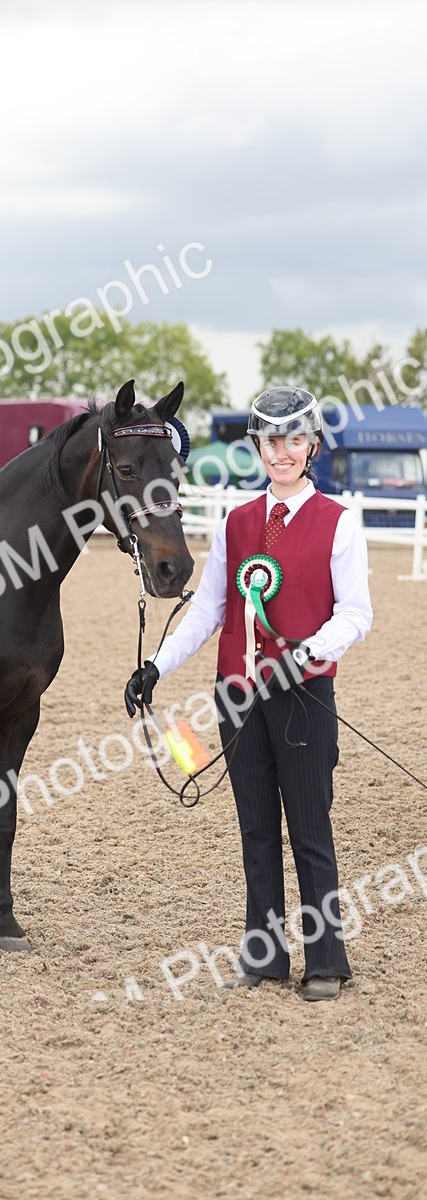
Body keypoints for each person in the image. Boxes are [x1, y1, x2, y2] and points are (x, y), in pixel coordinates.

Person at [125, 387, 373, 1002]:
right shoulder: (237, 522)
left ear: (311, 446)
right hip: (236, 693)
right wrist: (157, 664)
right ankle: (264, 955)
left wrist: (307, 654)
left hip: (303, 696)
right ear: (257, 448)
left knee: (310, 828)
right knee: (256, 830)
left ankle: (327, 960)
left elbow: (356, 614)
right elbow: (210, 608)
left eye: (294, 440)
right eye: (270, 442)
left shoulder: (339, 522)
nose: (281, 452)